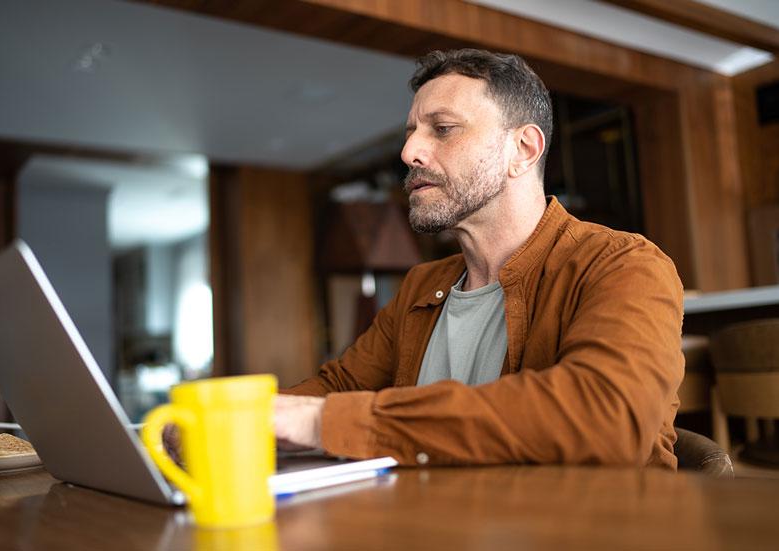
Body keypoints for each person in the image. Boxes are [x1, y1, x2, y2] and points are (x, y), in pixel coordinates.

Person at [274, 49, 684, 469]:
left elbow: (607, 417)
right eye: (412, 131)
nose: (409, 151)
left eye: (443, 128)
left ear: (523, 149)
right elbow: (340, 385)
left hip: (580, 531)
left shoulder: (623, 265)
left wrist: (325, 421)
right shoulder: (419, 285)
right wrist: (236, 416)